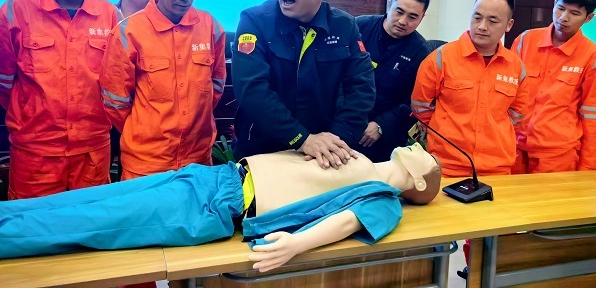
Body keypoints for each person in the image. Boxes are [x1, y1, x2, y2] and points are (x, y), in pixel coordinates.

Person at [0, 142, 442, 272]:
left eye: (428, 158)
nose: (421, 148)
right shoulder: (364, 158)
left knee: (89, 222)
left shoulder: (385, 198)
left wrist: (295, 245)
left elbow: (347, 222)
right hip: (218, 176)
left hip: (219, 209)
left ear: (420, 182)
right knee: (88, 199)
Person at [232, 0, 375, 169]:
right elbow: (252, 90)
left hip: (322, 157)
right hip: (263, 151)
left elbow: (361, 89)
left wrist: (334, 143)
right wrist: (303, 139)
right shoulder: (255, 21)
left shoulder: (344, 26)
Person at [0, 0, 121, 200]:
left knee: (91, 219)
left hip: (92, 150)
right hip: (36, 152)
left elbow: (117, 81)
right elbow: (4, 81)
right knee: (32, 222)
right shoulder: (16, 10)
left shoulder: (110, 15)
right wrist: (32, 113)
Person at [99, 0, 226, 179]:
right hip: (146, 163)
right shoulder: (129, 32)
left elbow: (216, 86)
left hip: (197, 160)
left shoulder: (211, 27)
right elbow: (115, 101)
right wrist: (144, 129)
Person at [411, 0, 530, 177]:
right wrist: (444, 127)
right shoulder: (441, 58)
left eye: (492, 21)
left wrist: (494, 129)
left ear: (509, 25)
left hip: (497, 166)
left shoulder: (515, 66)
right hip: (447, 165)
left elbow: (518, 112)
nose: (482, 26)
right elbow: (421, 105)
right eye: (477, 18)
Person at [511, 0, 596, 173]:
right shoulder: (525, 40)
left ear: (588, 18)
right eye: (561, 8)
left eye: (575, 13)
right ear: (554, 3)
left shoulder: (593, 57)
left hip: (557, 156)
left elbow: (595, 118)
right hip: (513, 148)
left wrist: (587, 169)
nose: (564, 18)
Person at [355, 0, 432, 161]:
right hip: (342, 120)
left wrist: (381, 125)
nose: (403, 21)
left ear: (422, 18)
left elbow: (413, 101)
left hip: (380, 134)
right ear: (390, 4)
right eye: (399, 12)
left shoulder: (421, 52)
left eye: (412, 17)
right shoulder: (358, 27)